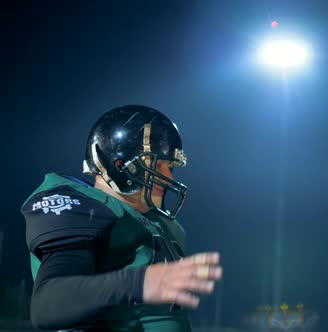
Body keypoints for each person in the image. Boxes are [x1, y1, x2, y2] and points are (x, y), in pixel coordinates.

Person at [21, 105, 223, 331]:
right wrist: (138, 283)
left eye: (171, 168)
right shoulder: (83, 208)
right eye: (159, 166)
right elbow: (49, 305)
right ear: (119, 166)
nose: (168, 178)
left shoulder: (162, 224)